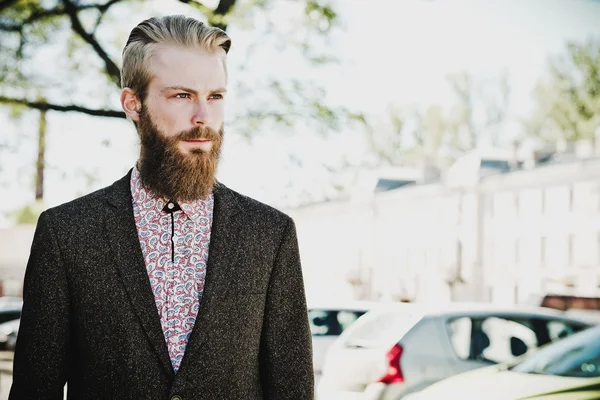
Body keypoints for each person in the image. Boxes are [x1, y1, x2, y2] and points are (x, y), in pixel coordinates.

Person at [10, 15, 314, 400]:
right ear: (132, 103)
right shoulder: (66, 233)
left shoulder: (270, 234)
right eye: (183, 95)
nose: (203, 117)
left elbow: (293, 391)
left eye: (215, 96)